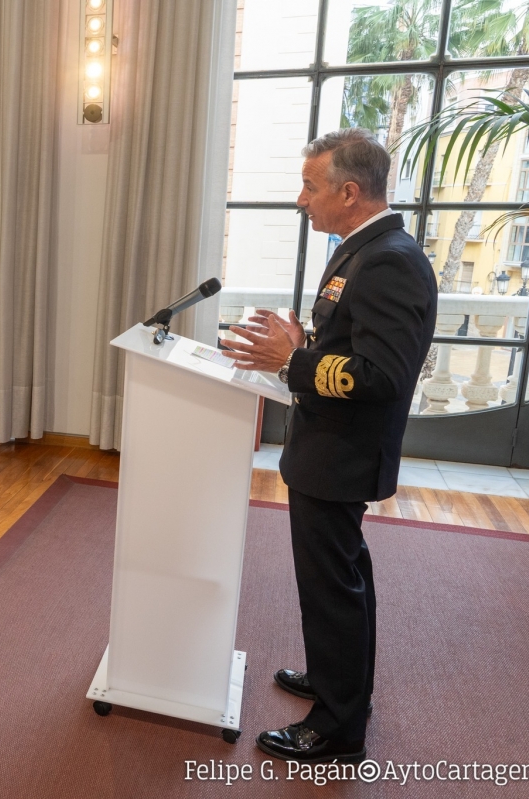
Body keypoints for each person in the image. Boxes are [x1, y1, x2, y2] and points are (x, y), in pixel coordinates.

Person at [222, 128, 437, 764]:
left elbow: (382, 374)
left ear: (349, 191)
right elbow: (347, 347)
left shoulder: (389, 260)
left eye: (311, 188)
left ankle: (338, 726)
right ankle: (338, 681)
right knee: (342, 575)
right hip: (330, 443)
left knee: (330, 585)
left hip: (344, 450)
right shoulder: (362, 248)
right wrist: (305, 347)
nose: (300, 200)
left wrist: (294, 363)